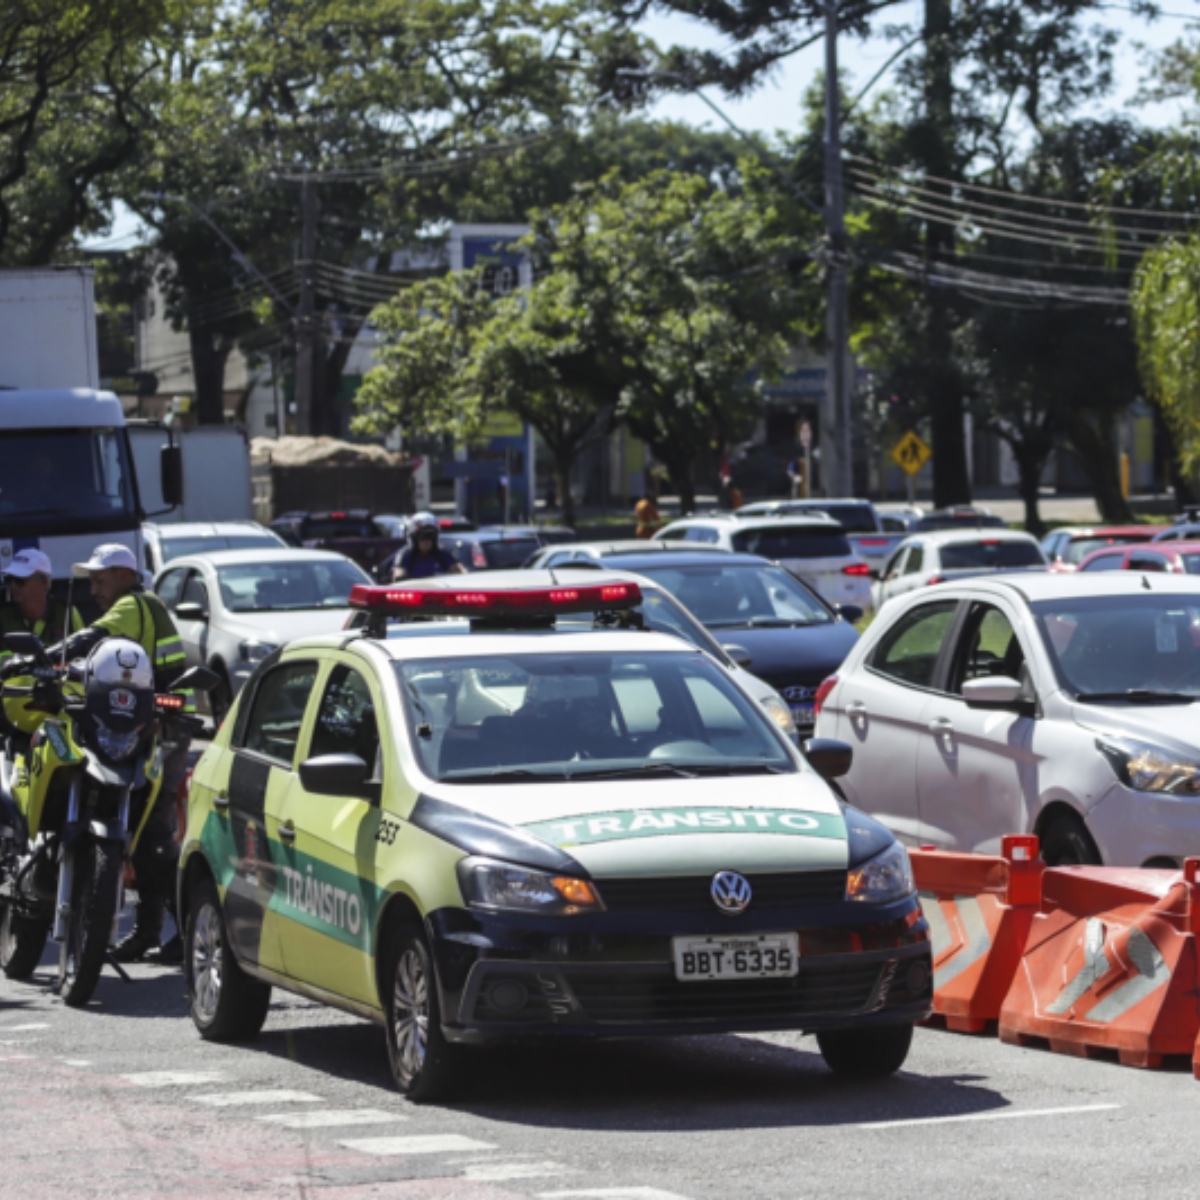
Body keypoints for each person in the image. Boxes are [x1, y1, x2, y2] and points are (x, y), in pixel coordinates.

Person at [43, 544, 193, 964]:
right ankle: (150, 933)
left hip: (167, 728)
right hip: (155, 723)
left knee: (153, 833)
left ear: (126, 575)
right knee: (145, 834)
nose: (93, 589)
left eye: (100, 578)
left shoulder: (135, 604)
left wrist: (45, 657)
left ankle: (179, 932)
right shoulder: (144, 605)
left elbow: (93, 639)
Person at [0, 549, 83, 744]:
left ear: (44, 582)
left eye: (20, 581)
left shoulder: (68, 614)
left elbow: (84, 660)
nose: (13, 586)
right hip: (8, 710)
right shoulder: (2, 617)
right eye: (10, 579)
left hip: (58, 709)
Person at [392, 513, 465, 580]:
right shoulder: (405, 556)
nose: (426, 541)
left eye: (430, 536)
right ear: (414, 538)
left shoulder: (442, 554)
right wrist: (401, 575)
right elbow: (398, 576)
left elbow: (462, 572)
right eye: (422, 536)